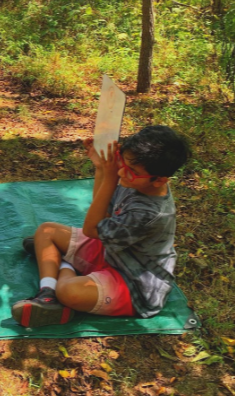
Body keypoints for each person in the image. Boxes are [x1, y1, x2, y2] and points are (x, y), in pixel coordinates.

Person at [11, 125, 190, 327]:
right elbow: (104, 211)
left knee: (69, 292)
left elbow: (91, 229)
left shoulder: (148, 213)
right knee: (47, 231)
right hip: (111, 250)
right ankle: (47, 293)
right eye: (122, 162)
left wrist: (110, 176)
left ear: (159, 180)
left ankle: (64, 265)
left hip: (133, 284)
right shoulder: (137, 181)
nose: (122, 171)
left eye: (132, 171)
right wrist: (100, 170)